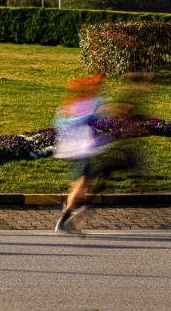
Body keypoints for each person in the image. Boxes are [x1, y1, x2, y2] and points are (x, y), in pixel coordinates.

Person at [53, 73, 108, 235]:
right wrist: (91, 117)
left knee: (80, 185)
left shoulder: (75, 104)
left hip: (78, 149)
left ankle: (67, 214)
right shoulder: (85, 104)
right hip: (80, 149)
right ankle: (64, 221)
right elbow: (70, 123)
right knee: (81, 184)